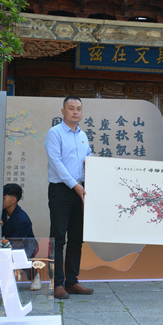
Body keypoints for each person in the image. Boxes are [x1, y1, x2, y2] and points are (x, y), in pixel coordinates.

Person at [44, 95, 93, 299]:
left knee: (76, 238)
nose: (75, 112)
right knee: (58, 238)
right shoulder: (54, 133)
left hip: (80, 190)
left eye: (78, 109)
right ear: (63, 111)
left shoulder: (83, 136)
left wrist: (95, 167)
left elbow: (88, 159)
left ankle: (72, 282)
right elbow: (57, 163)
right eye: (71, 108)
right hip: (61, 190)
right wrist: (74, 185)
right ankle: (57, 284)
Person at [0, 183, 38, 259]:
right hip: (9, 251)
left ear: (13, 200)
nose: (1, 200)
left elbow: (17, 244)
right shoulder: (2, 213)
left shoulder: (22, 219)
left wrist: (6, 242)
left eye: (4, 198)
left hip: (24, 253)